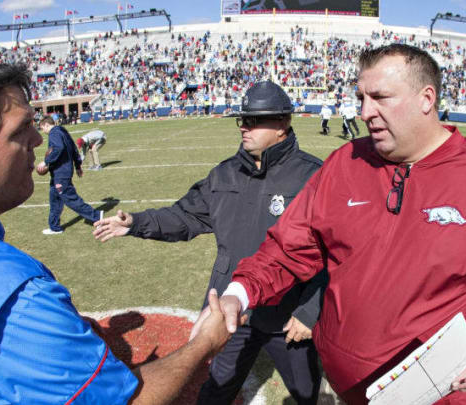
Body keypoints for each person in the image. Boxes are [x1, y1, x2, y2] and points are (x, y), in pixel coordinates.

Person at [193, 44, 466, 405]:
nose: (366, 112)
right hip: (342, 385)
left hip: (433, 394)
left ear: (426, 99)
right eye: (361, 97)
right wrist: (239, 293)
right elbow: (288, 248)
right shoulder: (344, 163)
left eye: (380, 97)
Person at [0, 62, 231, 405]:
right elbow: (128, 400)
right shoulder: (17, 299)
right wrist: (203, 343)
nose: (38, 139)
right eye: (20, 131)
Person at [94, 81, 327, 405]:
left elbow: (329, 252)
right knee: (215, 392)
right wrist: (136, 222)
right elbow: (185, 216)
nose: (244, 127)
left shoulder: (313, 176)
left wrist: (309, 311)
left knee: (306, 393)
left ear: (283, 123)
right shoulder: (225, 174)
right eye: (242, 120)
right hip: (232, 311)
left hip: (288, 316)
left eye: (255, 120)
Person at [37, 116, 103, 235]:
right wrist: (77, 166)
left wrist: (46, 162)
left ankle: (98, 217)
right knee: (55, 200)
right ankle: (55, 227)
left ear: (47, 125)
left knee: (71, 200)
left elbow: (59, 148)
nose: (43, 131)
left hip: (61, 173)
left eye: (42, 128)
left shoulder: (54, 133)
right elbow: (73, 149)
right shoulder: (63, 131)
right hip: (59, 173)